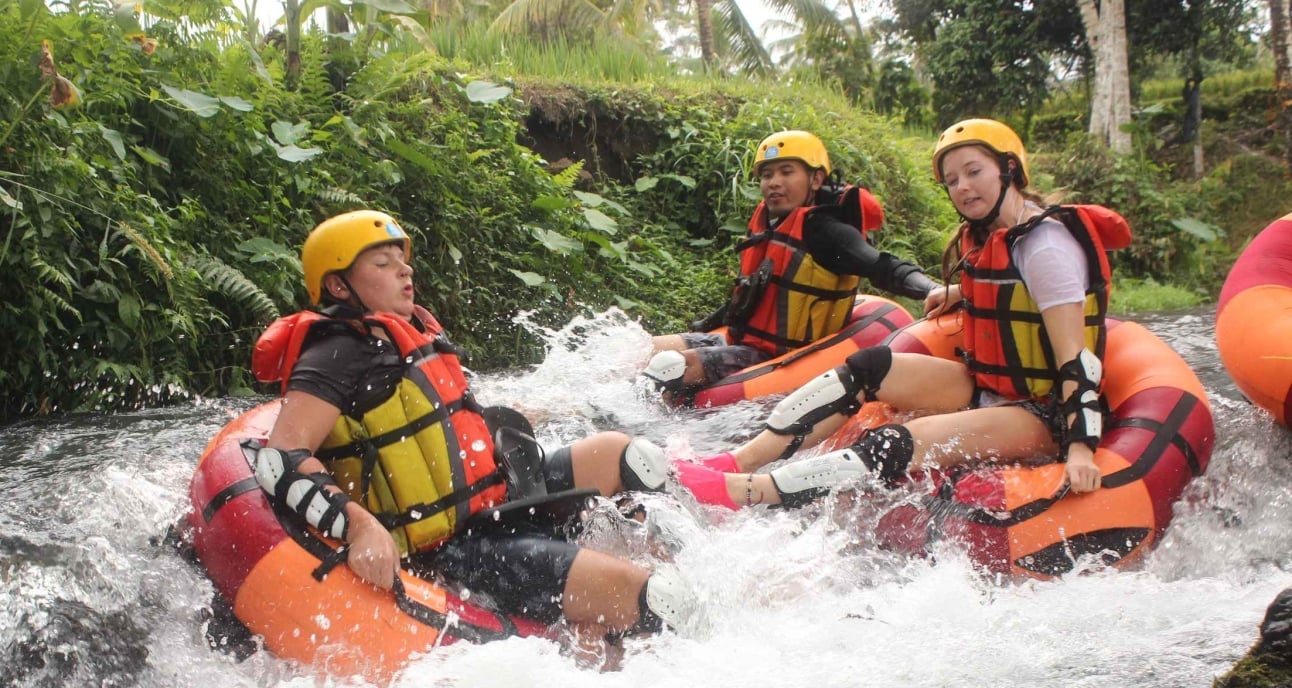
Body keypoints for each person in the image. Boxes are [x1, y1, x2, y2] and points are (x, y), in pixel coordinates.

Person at [250, 209, 702, 647]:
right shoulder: (335, 352)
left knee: (629, 454)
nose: (404, 271)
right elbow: (281, 459)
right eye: (383, 264)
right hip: (452, 550)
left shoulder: (410, 333)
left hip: (492, 504)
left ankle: (686, 563)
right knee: (656, 599)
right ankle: (635, 633)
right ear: (337, 284)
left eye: (403, 261)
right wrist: (359, 528)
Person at [674, 118, 1129, 510]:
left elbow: (1077, 360)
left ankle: (743, 492)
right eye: (952, 180)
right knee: (868, 367)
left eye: (974, 172)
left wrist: (1081, 449)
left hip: (1039, 411)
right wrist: (956, 293)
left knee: (893, 441)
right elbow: (1011, 302)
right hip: (989, 385)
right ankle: (738, 460)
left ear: (1009, 169)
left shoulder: (1046, 244)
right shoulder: (991, 235)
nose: (963, 188)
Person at [643, 129, 939, 398]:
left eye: (787, 172)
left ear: (816, 179)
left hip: (781, 357)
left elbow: (882, 267)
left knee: (672, 366)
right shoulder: (771, 224)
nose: (774, 183)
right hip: (743, 343)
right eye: (767, 174)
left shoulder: (828, 232)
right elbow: (755, 295)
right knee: (645, 348)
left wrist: (932, 290)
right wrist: (706, 325)